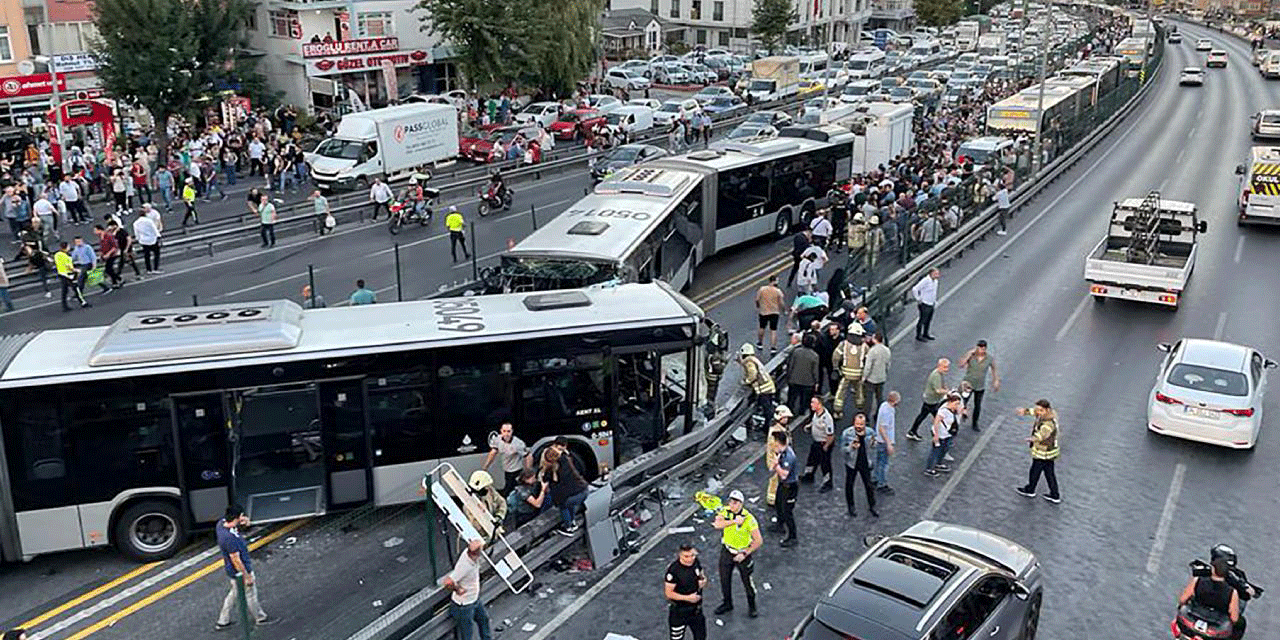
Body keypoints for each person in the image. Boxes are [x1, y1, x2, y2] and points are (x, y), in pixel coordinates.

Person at [214, 505, 275, 630]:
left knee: (234, 593)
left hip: (232, 572)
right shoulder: (229, 539)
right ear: (238, 517)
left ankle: (223, 620)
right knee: (250, 594)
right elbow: (235, 559)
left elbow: (234, 526)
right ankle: (260, 618)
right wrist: (246, 576)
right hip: (239, 571)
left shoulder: (221, 525)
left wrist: (242, 523)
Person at [711, 489, 762, 617]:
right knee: (724, 579)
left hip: (742, 553)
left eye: (735, 503)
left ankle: (752, 606)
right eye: (731, 502)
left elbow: (758, 540)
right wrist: (734, 522)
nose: (732, 505)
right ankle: (727, 603)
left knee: (747, 581)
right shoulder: (725, 512)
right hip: (727, 550)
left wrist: (745, 553)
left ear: (741, 504)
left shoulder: (749, 519)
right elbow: (717, 524)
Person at [442, 538, 493, 640]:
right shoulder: (465, 566)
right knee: (467, 634)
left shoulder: (470, 555)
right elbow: (448, 582)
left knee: (484, 620)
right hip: (464, 605)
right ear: (477, 553)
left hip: (473, 599)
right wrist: (457, 589)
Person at [1177, 555, 1240, 635]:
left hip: (1193, 617)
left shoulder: (1198, 580)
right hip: (1215, 625)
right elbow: (1234, 618)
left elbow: (1182, 600)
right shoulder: (1232, 592)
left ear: (1213, 569)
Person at [1014, 399, 1061, 503]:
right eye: (1037, 409)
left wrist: (1033, 438)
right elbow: (1033, 411)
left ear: (1047, 410)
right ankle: (1055, 494)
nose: (1037, 412)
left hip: (1043, 452)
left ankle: (1030, 489)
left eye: (1040, 410)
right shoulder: (1046, 415)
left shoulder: (1048, 423)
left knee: (1035, 471)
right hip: (1050, 452)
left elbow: (1043, 434)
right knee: (1049, 473)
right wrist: (1025, 411)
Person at [665, 543, 708, 640]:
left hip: (696, 611)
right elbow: (668, 593)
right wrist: (688, 598)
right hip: (679, 612)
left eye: (692, 555)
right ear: (680, 555)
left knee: (701, 637)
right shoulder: (674, 571)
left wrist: (703, 580)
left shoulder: (696, 562)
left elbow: (701, 574)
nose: (690, 559)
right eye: (686, 556)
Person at [542, 447, 588, 535]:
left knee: (563, 505)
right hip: (584, 490)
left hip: (574, 495)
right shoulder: (566, 461)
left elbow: (558, 497)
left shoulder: (551, 474)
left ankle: (568, 527)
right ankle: (572, 521)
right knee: (571, 503)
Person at [841, 413, 878, 518]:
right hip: (851, 463)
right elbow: (843, 450)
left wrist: (873, 443)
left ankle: (872, 505)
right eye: (857, 424)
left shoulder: (870, 432)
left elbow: (874, 447)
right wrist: (851, 447)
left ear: (865, 424)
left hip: (865, 462)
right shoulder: (847, 434)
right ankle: (851, 506)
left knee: (868, 485)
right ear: (854, 423)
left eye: (861, 424)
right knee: (849, 485)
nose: (859, 426)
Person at [959, 340, 1001, 431]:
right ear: (976, 348)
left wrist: (996, 380)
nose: (981, 350)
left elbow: (994, 369)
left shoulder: (989, 358)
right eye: (979, 348)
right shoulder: (971, 356)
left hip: (980, 385)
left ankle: (975, 423)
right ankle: (957, 420)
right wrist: (969, 353)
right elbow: (961, 364)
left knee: (977, 405)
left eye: (983, 348)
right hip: (967, 384)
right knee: (962, 403)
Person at [483, 422, 533, 494]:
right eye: (504, 431)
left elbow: (528, 456)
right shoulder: (497, 440)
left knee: (512, 490)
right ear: (501, 431)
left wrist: (528, 471)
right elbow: (493, 453)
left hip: (516, 470)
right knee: (508, 486)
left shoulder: (518, 444)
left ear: (512, 432)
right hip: (507, 470)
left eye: (508, 431)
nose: (506, 434)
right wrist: (486, 466)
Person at [832, 324, 869, 419]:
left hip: (846, 374)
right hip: (859, 374)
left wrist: (836, 368)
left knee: (841, 393)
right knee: (859, 392)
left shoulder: (844, 344)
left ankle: (837, 411)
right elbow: (868, 360)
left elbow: (835, 357)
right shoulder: (864, 346)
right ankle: (860, 409)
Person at [907, 359, 950, 441]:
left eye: (947, 367)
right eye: (945, 367)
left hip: (931, 400)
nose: (947, 369)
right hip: (932, 401)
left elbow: (941, 385)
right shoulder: (936, 376)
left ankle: (912, 431)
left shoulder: (939, 374)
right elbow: (938, 390)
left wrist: (945, 387)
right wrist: (947, 392)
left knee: (923, 416)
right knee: (939, 418)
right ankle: (939, 435)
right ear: (939, 366)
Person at [769, 430, 799, 547]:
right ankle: (779, 525)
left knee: (788, 512)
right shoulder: (781, 452)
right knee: (778, 504)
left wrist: (776, 465)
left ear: (778, 443)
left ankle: (793, 537)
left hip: (790, 486)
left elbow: (783, 474)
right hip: (783, 485)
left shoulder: (789, 457)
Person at [801, 395, 835, 493]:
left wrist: (826, 446)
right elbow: (814, 421)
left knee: (825, 463)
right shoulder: (816, 413)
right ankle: (809, 475)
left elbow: (830, 435)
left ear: (819, 404)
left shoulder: (827, 418)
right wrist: (809, 426)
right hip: (816, 441)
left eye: (813, 402)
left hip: (824, 443)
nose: (811, 404)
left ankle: (828, 482)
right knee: (812, 459)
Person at [924, 394, 962, 477]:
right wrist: (936, 435)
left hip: (947, 434)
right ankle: (929, 468)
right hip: (940, 434)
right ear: (950, 402)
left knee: (944, 449)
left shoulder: (953, 410)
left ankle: (938, 463)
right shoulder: (943, 411)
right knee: (935, 451)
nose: (957, 406)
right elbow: (936, 422)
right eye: (956, 403)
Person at [738, 343, 777, 420]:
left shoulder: (749, 362)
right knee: (768, 405)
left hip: (764, 389)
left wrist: (747, 381)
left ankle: (768, 424)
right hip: (768, 387)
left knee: (766, 408)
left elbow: (752, 374)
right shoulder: (753, 359)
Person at [467, 470, 507, 539]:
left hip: (495, 532)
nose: (488, 488)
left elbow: (502, 503)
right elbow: (476, 525)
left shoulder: (490, 491)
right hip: (481, 537)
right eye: (486, 487)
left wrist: (499, 516)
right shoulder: (469, 504)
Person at [765, 405, 792, 508]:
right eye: (785, 418)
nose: (786, 420)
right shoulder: (776, 431)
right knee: (774, 479)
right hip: (776, 459)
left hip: (780, 457)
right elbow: (776, 448)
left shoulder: (781, 428)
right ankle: (772, 499)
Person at [873, 391, 900, 493]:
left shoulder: (884, 405)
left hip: (880, 440)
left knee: (878, 461)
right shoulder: (888, 411)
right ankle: (882, 483)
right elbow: (882, 428)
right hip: (884, 441)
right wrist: (889, 443)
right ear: (895, 401)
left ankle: (875, 478)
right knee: (884, 464)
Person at [755, 275, 785, 353]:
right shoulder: (778, 291)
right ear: (775, 281)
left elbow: (757, 299)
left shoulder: (762, 289)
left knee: (762, 328)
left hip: (764, 311)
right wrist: (784, 310)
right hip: (774, 312)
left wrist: (758, 306)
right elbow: (781, 303)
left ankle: (760, 343)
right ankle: (773, 347)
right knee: (773, 330)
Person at [863, 332, 891, 412]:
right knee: (879, 397)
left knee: (869, 398)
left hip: (871, 379)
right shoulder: (887, 350)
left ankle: (867, 415)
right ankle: (879, 413)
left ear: (875, 339)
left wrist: (864, 377)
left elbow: (868, 366)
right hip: (881, 378)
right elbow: (888, 364)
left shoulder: (872, 351)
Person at [912, 267, 940, 341]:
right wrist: (918, 299)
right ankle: (918, 335)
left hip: (931, 303)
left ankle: (925, 333)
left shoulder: (936, 281)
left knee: (928, 320)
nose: (937, 275)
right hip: (924, 304)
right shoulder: (925, 281)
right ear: (930, 274)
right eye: (935, 274)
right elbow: (915, 289)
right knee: (922, 320)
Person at [133, 209, 161, 273]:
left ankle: (148, 269)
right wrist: (158, 236)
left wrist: (138, 238)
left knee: (146, 255)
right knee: (156, 253)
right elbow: (154, 229)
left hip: (143, 240)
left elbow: (136, 232)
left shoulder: (136, 223)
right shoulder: (149, 221)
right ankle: (155, 268)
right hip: (152, 239)